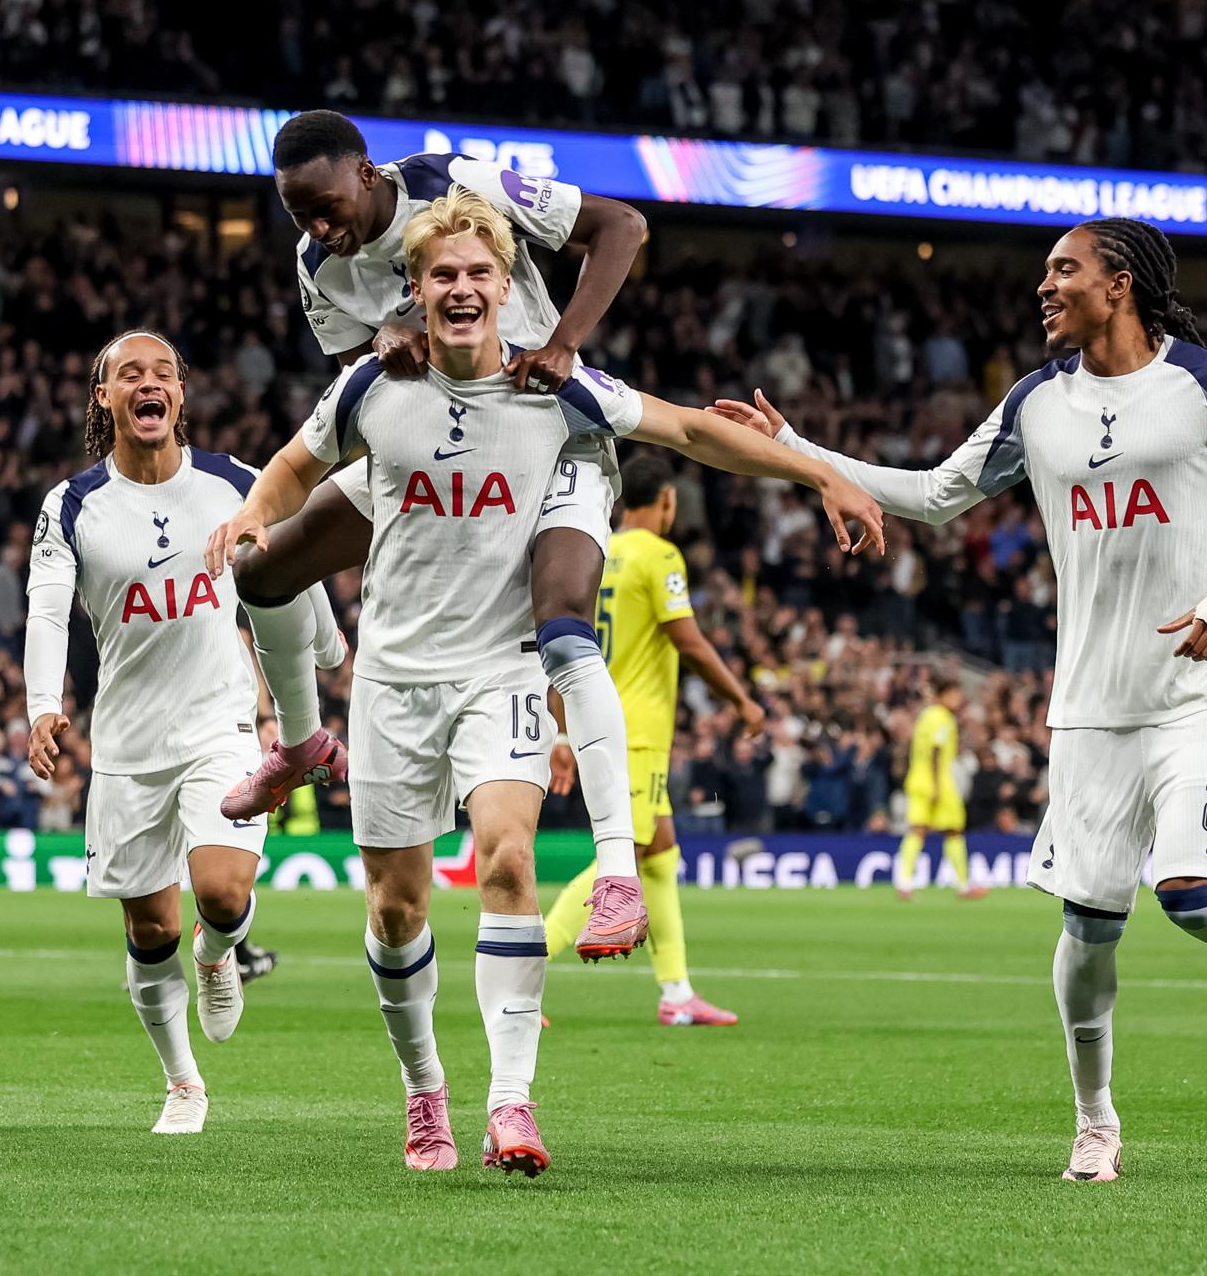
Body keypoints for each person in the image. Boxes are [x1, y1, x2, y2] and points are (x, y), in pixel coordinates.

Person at [205, 189, 882, 1175]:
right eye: (445, 274)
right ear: (418, 289)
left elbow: (692, 432)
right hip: (395, 677)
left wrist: (818, 473)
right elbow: (290, 470)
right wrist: (254, 521)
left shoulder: (555, 391)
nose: (464, 287)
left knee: (509, 863)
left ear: (505, 284)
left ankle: (510, 1103)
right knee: (396, 909)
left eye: (482, 271)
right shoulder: (369, 389)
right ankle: (424, 1087)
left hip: (500, 671)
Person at [723, 217, 1207, 1182]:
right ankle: (1095, 1122)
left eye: (1063, 270)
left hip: (1198, 693)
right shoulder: (1034, 403)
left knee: (1188, 891)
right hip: (1089, 708)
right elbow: (930, 494)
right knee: (1088, 930)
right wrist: (801, 448)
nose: (1043, 287)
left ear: (1120, 282)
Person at [226, 109, 659, 960]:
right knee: (262, 572)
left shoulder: (462, 182)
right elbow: (359, 370)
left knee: (564, 619)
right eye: (296, 214)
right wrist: (381, 339)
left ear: (365, 173)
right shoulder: (319, 260)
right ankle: (304, 741)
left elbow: (623, 225)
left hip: (549, 434)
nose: (317, 227)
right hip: (437, 446)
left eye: (325, 205)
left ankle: (617, 871)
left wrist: (567, 343)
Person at [23, 329, 330, 1135]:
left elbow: (287, 561)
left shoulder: (236, 486)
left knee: (221, 894)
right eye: (130, 374)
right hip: (126, 746)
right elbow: (49, 609)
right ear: (106, 398)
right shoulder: (72, 505)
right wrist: (40, 705)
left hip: (218, 728)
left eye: (163, 372)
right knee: (149, 925)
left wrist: (326, 644)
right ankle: (183, 1082)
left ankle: (219, 952)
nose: (148, 383)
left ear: (182, 395)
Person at [542, 454, 759, 1027]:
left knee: (660, 855)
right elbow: (687, 640)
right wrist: (741, 700)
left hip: (597, 715)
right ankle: (525, 966)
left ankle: (677, 993)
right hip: (634, 731)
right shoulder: (659, 554)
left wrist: (562, 727)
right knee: (624, 858)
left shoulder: (593, 549)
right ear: (665, 501)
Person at [895, 676, 988, 901]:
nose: (958, 698)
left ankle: (904, 883)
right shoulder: (941, 717)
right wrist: (936, 785)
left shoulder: (927, 715)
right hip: (936, 781)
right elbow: (936, 750)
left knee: (918, 829)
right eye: (954, 694)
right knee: (952, 830)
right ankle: (963, 886)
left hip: (919, 778)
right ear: (943, 694)